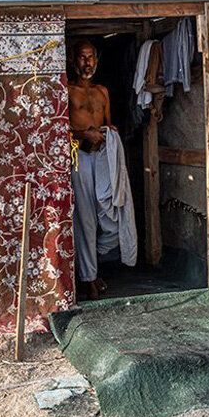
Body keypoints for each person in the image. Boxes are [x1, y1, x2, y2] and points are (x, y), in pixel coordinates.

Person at [68, 40, 136, 299]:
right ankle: (89, 277)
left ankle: (92, 266)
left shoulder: (102, 91)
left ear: (97, 60)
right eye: (82, 57)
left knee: (109, 210)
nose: (87, 62)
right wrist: (83, 133)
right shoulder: (67, 90)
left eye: (91, 57)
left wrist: (110, 132)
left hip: (102, 158)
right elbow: (57, 128)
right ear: (74, 61)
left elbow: (107, 124)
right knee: (84, 218)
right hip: (80, 157)